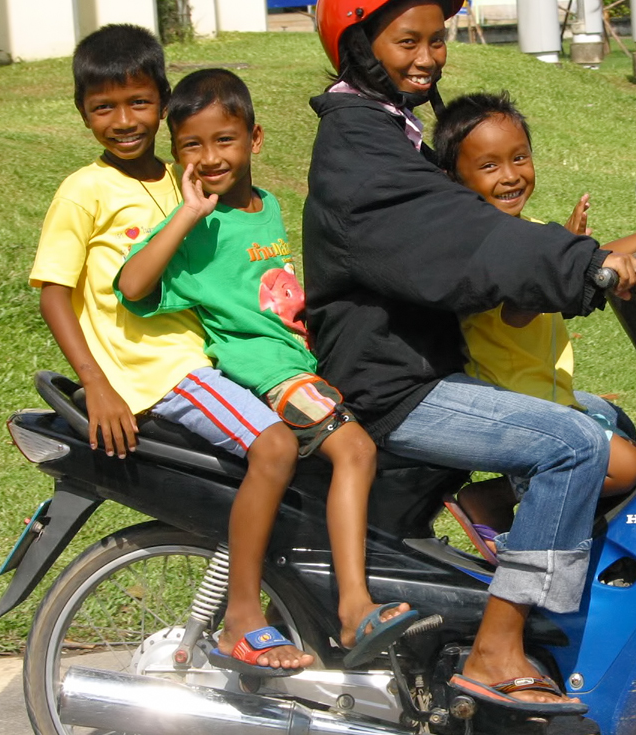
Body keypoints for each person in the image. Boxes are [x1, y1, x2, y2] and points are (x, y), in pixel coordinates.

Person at [302, 0, 636, 713]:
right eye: (408, 42)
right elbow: (465, 238)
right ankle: (498, 647)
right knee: (575, 444)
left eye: (437, 40)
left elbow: (475, 235)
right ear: (359, 44)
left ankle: (541, 610)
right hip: (396, 384)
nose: (428, 58)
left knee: (600, 417)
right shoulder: (360, 152)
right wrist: (584, 265)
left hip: (421, 368)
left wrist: (600, 255)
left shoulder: (386, 131)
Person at [30, 25, 310, 675]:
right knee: (274, 446)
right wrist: (96, 383)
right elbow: (53, 292)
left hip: (207, 362)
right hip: (157, 376)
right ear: (82, 112)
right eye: (103, 107)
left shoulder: (185, 176)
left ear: (163, 103)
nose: (123, 121)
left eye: (137, 104)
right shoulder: (86, 190)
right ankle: (243, 617)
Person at [116, 68, 418, 670]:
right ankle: (346, 607)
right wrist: (183, 215)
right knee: (353, 450)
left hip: (306, 364)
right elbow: (131, 283)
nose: (209, 157)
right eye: (191, 147)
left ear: (254, 139)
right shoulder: (197, 225)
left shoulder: (271, 208)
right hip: (270, 376)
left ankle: (303, 604)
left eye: (223, 140)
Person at [430, 91, 636, 561]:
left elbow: (598, 255)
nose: (510, 175)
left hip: (549, 396)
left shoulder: (529, 232)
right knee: (626, 466)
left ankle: (577, 533)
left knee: (615, 420)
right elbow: (518, 306)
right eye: (489, 166)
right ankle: (500, 502)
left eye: (520, 157)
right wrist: (563, 266)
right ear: (454, 178)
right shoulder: (479, 246)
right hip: (511, 407)